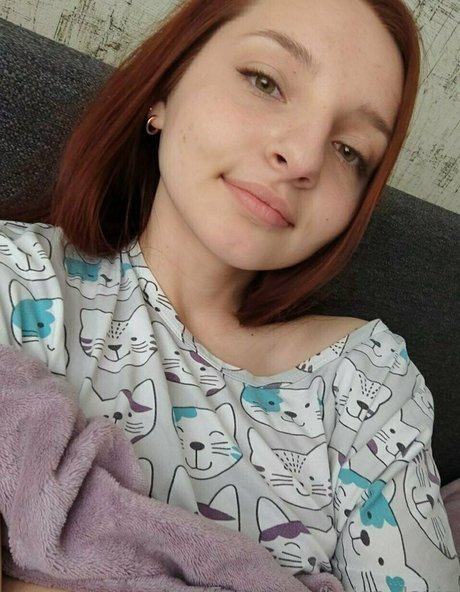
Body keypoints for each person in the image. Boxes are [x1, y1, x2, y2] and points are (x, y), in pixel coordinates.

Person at [0, 0, 458, 590]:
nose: (303, 157)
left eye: (350, 150)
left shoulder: (368, 382)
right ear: (164, 90)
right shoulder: (18, 275)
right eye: (266, 82)